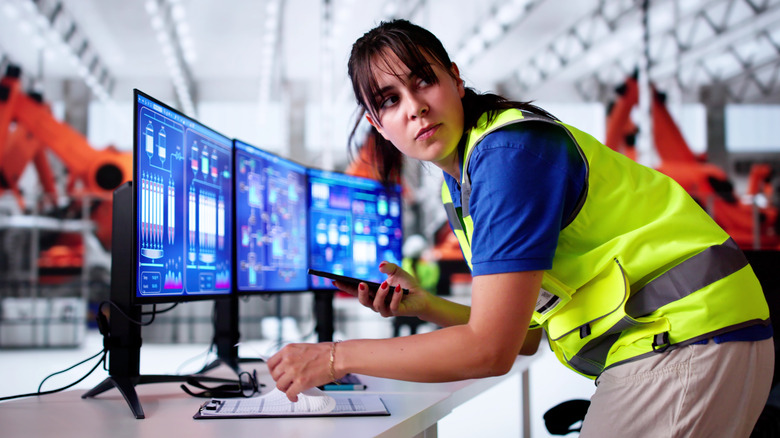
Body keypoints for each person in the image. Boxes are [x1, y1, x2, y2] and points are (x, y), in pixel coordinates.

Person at [268, 19, 774, 436]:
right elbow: (524, 336)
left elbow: (491, 349)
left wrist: (334, 358)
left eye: (423, 81)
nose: (414, 107)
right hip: (686, 338)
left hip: (689, 336)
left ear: (454, 80)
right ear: (380, 126)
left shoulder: (507, 157)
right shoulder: (461, 183)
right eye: (389, 100)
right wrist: (426, 307)